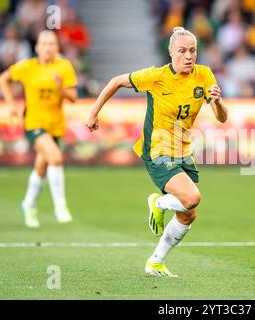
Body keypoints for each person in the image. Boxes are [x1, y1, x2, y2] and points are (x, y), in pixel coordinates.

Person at [85, 27, 228, 277]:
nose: (188, 56)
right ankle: (158, 203)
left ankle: (155, 262)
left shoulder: (204, 75)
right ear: (171, 51)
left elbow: (222, 118)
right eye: (182, 51)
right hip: (157, 150)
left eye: (192, 50)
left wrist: (217, 102)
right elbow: (116, 81)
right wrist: (93, 112)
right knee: (192, 198)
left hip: (183, 151)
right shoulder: (156, 76)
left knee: (188, 214)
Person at [0, 30, 78, 228]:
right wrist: (10, 104)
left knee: (41, 168)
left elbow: (73, 97)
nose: (48, 47)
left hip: (55, 126)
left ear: (57, 47)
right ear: (37, 47)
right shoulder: (27, 67)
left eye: (52, 44)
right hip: (33, 123)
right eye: (44, 43)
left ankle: (28, 204)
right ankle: (60, 206)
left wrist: (60, 88)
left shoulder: (64, 67)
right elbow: (3, 79)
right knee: (56, 158)